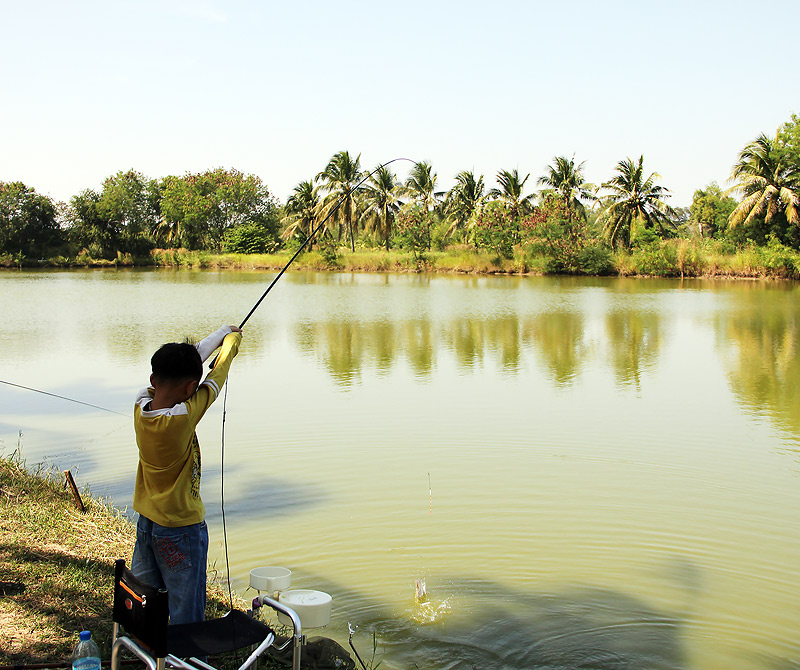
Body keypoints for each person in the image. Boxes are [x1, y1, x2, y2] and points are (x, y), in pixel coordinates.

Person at [130, 324, 243, 625]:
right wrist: (230, 344)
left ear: (154, 379)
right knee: (186, 608)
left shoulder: (141, 405)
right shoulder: (181, 419)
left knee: (144, 597)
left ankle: (142, 648)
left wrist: (219, 334)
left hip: (148, 523)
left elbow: (190, 370)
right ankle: (186, 658)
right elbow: (214, 381)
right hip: (181, 528)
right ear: (190, 388)